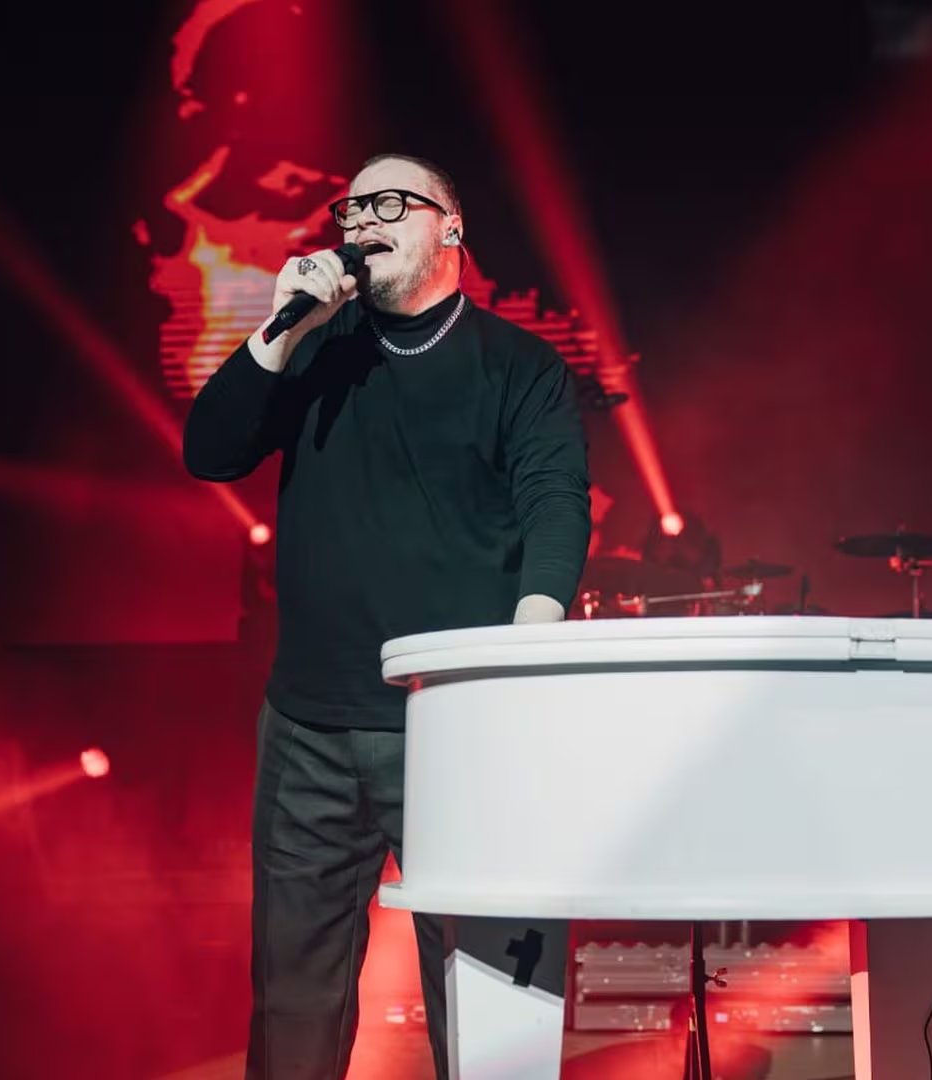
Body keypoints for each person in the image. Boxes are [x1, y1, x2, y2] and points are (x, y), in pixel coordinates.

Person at [183, 152, 591, 1079]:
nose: (362, 219)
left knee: (491, 992)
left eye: (389, 202)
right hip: (309, 730)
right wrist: (279, 330)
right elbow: (210, 452)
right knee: (294, 998)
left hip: (459, 724)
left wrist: (522, 669)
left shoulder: (518, 366)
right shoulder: (319, 349)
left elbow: (556, 502)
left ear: (449, 227)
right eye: (351, 206)